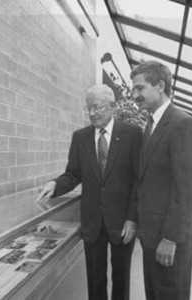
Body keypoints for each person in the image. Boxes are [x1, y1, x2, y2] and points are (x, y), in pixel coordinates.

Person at [37, 84, 142, 300]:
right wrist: (55, 184)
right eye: (89, 108)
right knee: (95, 279)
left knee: (121, 278)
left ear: (112, 107)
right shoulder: (80, 137)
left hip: (122, 222)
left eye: (98, 107)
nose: (92, 113)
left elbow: (138, 181)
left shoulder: (132, 134)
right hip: (93, 221)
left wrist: (132, 219)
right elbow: (73, 174)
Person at [131, 60, 192, 300]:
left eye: (140, 88)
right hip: (151, 236)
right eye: (133, 89)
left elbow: (187, 188)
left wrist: (170, 238)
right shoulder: (150, 124)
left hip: (170, 240)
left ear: (160, 86)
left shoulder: (182, 123)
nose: (134, 95)